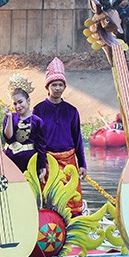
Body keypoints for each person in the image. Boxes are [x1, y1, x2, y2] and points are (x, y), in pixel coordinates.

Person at [33, 58, 87, 215]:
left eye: (60, 85)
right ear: (47, 87)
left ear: (64, 86)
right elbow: (36, 140)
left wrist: (82, 164)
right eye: (54, 85)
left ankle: (73, 231)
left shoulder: (72, 111)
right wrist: (40, 164)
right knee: (49, 199)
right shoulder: (39, 110)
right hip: (48, 162)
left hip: (69, 161)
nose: (57, 88)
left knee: (72, 199)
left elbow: (78, 139)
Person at [3, 74, 47, 180]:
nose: (18, 106)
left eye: (20, 102)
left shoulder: (37, 121)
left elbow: (41, 146)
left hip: (28, 161)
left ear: (28, 100)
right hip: (9, 160)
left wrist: (42, 166)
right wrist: (8, 118)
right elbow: (8, 138)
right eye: (15, 104)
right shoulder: (11, 117)